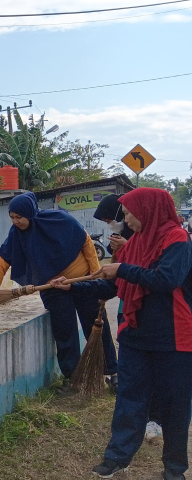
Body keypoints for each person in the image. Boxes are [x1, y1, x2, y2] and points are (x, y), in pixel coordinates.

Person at [51, 188, 192, 480]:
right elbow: (113, 287)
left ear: (147, 210)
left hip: (174, 337)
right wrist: (74, 286)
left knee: (174, 403)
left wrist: (122, 269)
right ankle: (117, 457)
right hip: (135, 334)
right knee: (129, 397)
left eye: (128, 213)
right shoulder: (135, 244)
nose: (125, 219)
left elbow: (166, 279)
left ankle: (174, 468)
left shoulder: (177, 239)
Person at [0, 192, 118, 385]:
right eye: (12, 218)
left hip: (82, 282)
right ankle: (73, 377)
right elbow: (1, 263)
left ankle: (112, 372)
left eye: (19, 217)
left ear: (30, 212)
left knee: (97, 325)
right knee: (64, 331)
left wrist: (95, 277)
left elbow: (86, 242)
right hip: (53, 287)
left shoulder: (59, 220)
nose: (15, 222)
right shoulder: (17, 235)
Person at [95, 194, 163, 441]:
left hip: (155, 319)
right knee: (134, 373)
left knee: (154, 371)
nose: (117, 222)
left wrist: (125, 256)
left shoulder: (168, 242)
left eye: (123, 215)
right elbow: (117, 278)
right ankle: (135, 422)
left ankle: (155, 418)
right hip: (128, 310)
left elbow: (158, 277)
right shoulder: (130, 240)